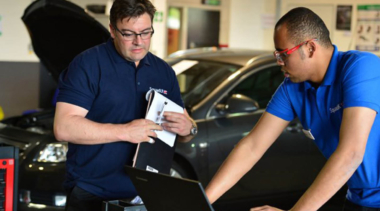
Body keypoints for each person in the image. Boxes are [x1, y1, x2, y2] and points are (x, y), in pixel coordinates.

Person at [205, 7, 380, 211]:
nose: (279, 63)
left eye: (283, 54)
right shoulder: (292, 88)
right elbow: (252, 147)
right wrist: (202, 202)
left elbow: (351, 153)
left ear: (310, 48)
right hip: (358, 198)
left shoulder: (361, 67)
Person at [53, 0, 197, 210]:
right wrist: (125, 131)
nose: (139, 42)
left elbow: (186, 130)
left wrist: (189, 128)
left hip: (145, 196)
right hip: (92, 192)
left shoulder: (163, 71)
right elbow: (63, 127)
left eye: (146, 32)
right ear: (112, 30)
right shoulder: (88, 65)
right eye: (128, 34)